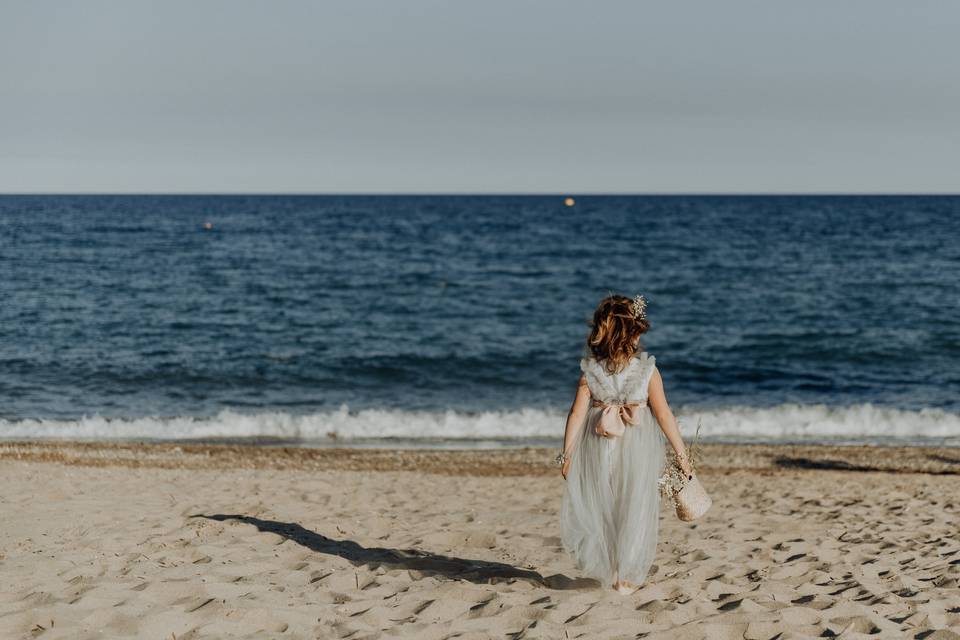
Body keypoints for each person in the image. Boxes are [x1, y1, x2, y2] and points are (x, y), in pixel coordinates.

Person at [558, 293, 692, 595]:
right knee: (634, 506)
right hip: (637, 448)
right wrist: (682, 454)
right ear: (634, 332)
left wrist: (566, 455)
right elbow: (664, 414)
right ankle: (625, 576)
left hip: (598, 446)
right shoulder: (646, 370)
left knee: (604, 505)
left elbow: (577, 413)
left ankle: (611, 568)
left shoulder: (590, 371)